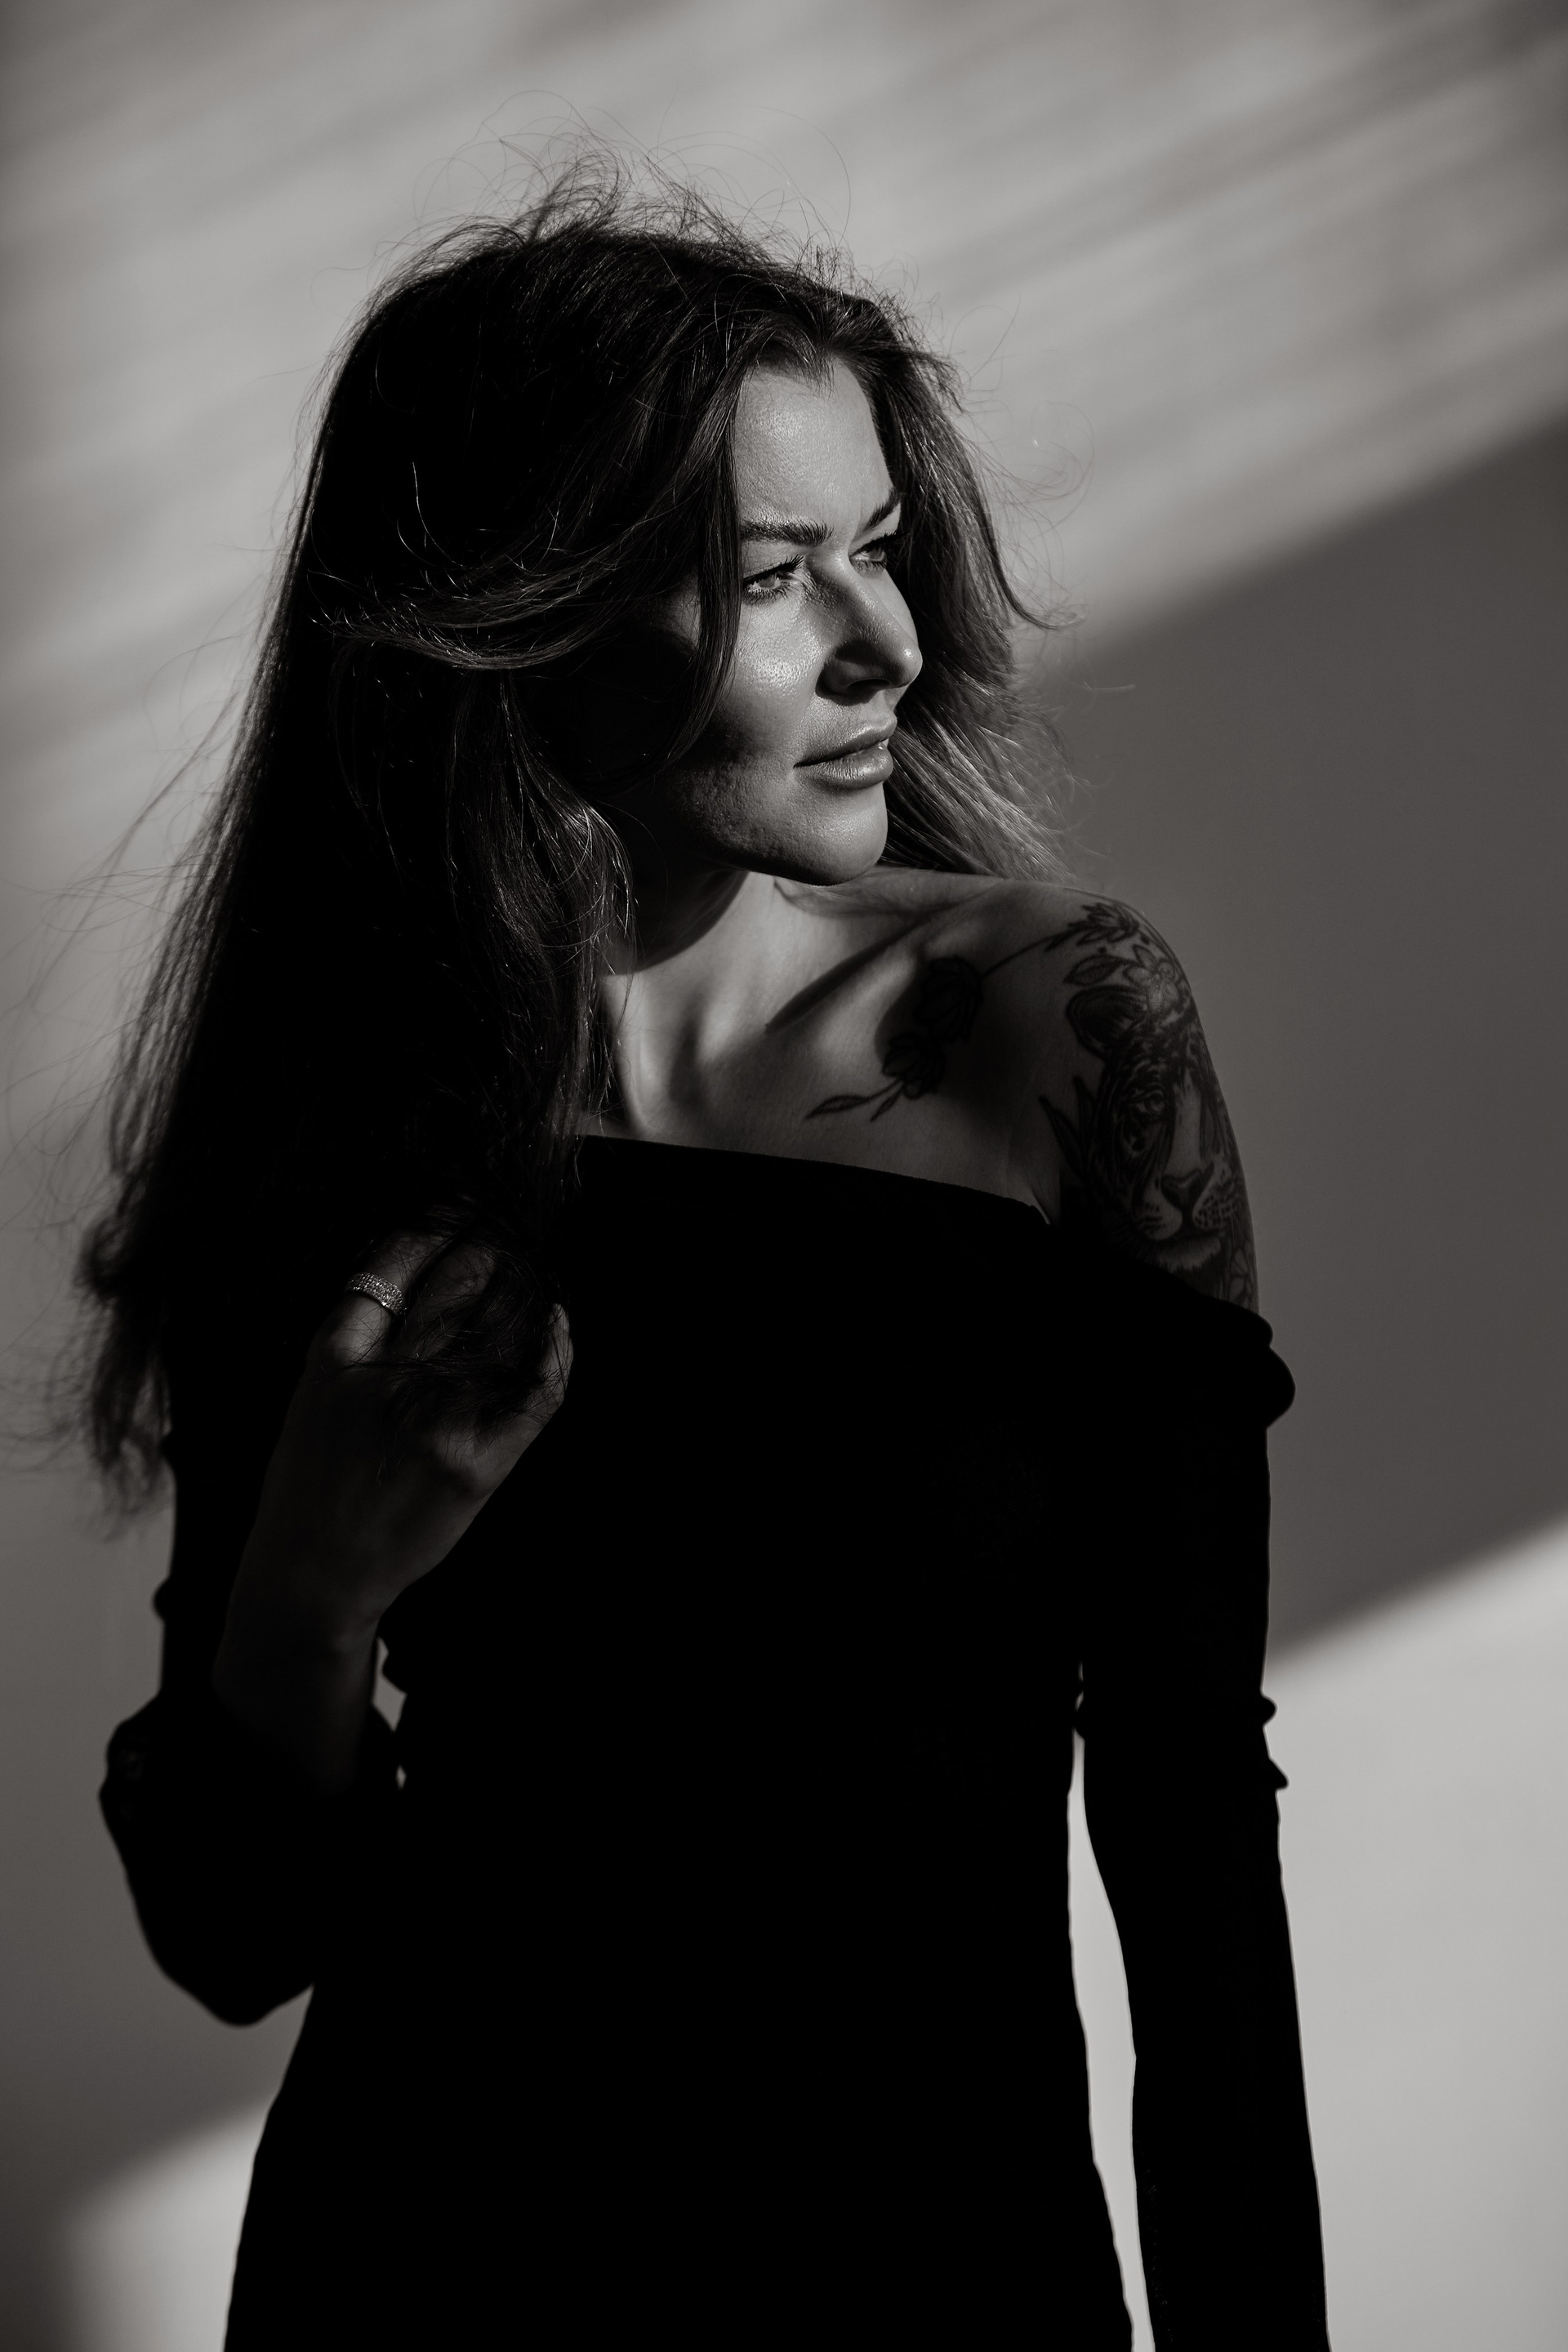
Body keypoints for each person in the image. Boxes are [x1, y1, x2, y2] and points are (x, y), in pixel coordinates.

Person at [85, 170, 1330, 2347]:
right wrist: (309, 1591)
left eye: (880, 546)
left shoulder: (1060, 1027)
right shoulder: (346, 1134)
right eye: (772, 576)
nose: (888, 642)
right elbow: (235, 1934)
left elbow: (1190, 1808)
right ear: (519, 616)